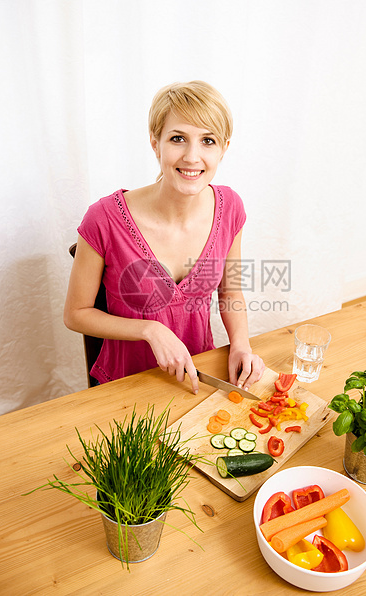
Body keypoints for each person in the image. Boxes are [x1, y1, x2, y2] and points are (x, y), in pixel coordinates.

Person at [64, 80, 265, 393]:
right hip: (125, 387)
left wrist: (240, 345)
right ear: (155, 143)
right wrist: (150, 329)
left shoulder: (231, 209)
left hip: (198, 377)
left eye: (208, 140)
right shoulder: (103, 219)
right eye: (177, 139)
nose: (192, 156)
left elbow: (231, 291)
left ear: (224, 148)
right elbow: (76, 314)